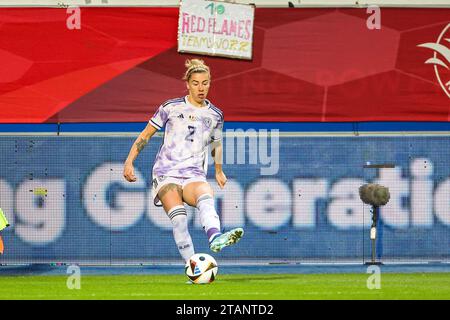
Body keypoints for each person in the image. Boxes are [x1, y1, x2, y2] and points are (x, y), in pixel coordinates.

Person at [123, 59, 244, 263]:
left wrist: (218, 170)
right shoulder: (170, 107)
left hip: (193, 174)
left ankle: (215, 236)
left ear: (210, 83)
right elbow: (146, 134)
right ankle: (193, 267)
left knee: (206, 196)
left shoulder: (215, 115)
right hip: (166, 174)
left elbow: (216, 143)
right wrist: (129, 161)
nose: (201, 88)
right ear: (187, 84)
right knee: (179, 219)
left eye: (205, 83)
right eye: (196, 83)